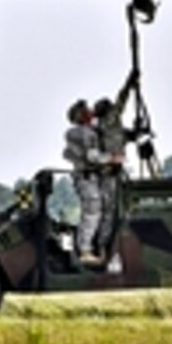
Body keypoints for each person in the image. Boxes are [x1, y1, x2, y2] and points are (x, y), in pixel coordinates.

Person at [63, 99, 120, 264]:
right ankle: (85, 250)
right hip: (86, 177)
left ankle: (99, 247)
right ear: (80, 116)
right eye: (85, 110)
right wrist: (112, 158)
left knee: (104, 210)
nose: (90, 111)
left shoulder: (89, 131)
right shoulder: (82, 133)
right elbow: (92, 156)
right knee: (92, 211)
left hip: (93, 177)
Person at [93, 97, 131, 253]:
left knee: (111, 210)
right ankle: (103, 245)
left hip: (113, 173)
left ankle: (105, 244)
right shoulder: (106, 126)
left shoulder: (107, 127)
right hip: (108, 173)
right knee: (108, 211)